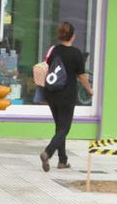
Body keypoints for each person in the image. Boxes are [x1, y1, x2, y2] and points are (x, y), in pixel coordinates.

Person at [39, 21, 93, 172]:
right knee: (65, 128)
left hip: (51, 93)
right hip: (66, 95)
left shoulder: (54, 50)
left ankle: (62, 160)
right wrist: (90, 90)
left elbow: (47, 66)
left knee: (59, 127)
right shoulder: (76, 54)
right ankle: (48, 152)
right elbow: (82, 77)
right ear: (73, 36)